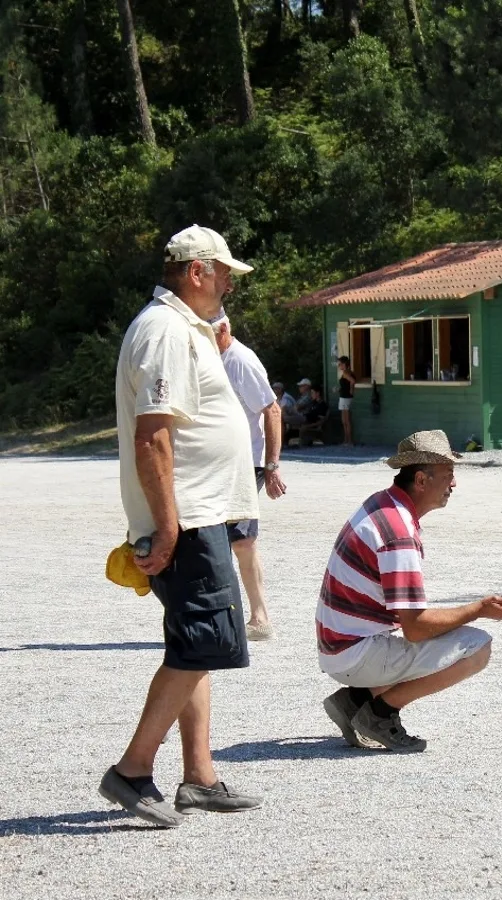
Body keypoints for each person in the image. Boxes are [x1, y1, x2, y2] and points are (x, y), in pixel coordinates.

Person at [102, 224, 262, 828]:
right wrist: (166, 527)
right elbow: (154, 436)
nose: (228, 285)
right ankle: (132, 770)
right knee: (207, 642)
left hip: (200, 513)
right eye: (223, 274)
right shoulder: (165, 330)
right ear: (197, 271)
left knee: (195, 645)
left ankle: (199, 776)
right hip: (188, 519)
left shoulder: (181, 330)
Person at [316, 430, 502, 752]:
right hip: (353, 653)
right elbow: (416, 629)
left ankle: (354, 701)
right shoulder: (399, 533)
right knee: (477, 647)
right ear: (421, 481)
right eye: (448, 475)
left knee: (429, 638)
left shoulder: (381, 503)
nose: (453, 484)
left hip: (339, 645)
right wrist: (480, 608)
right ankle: (380, 714)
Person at [212, 313, 287, 640]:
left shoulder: (240, 360)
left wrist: (271, 466)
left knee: (240, 540)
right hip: (216, 463)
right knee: (216, 540)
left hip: (246, 464)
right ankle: (231, 618)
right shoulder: (208, 358)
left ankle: (259, 617)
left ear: (224, 329)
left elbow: (272, 409)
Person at [336, 356, 355, 446]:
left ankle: (349, 440)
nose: (339, 366)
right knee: (344, 421)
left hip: (345, 398)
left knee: (346, 420)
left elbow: (352, 381)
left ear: (344, 364)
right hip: (344, 397)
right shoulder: (348, 372)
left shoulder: (345, 373)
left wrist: (351, 389)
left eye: (340, 364)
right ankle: (346, 440)